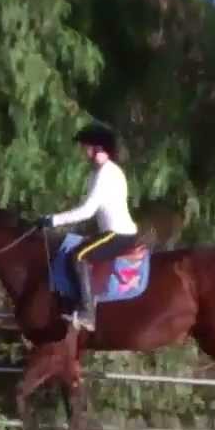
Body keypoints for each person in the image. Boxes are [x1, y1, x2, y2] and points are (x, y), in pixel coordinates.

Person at [34, 122, 139, 331]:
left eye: (86, 147)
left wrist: (52, 220)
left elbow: (86, 212)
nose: (84, 152)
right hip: (109, 232)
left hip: (119, 234)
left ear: (97, 148)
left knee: (78, 256)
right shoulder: (95, 174)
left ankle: (88, 312)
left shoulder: (107, 174)